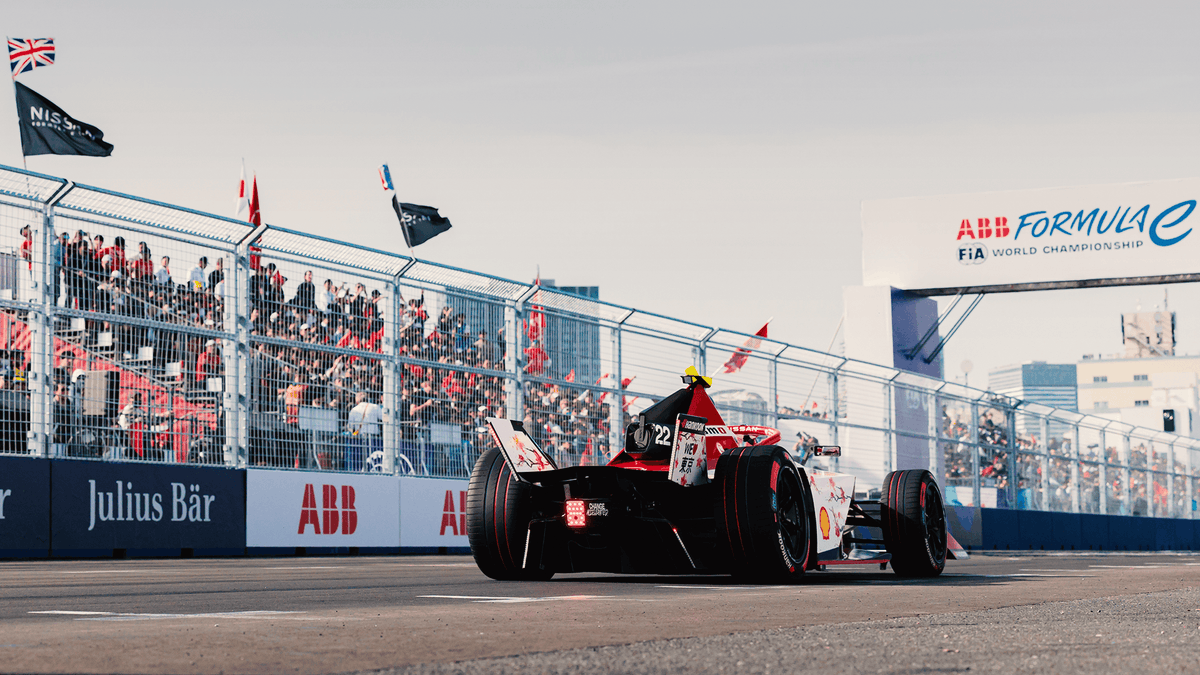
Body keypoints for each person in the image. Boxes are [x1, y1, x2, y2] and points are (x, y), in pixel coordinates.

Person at [345, 391, 383, 472]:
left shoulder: (354, 410)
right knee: (374, 459)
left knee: (361, 460)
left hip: (360, 439)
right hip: (374, 438)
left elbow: (351, 427)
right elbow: (384, 418)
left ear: (357, 399)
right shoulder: (375, 407)